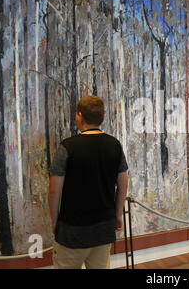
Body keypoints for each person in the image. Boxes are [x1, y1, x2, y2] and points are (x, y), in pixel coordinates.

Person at [48, 95, 129, 269]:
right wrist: (118, 214)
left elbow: (54, 191)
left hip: (72, 230)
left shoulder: (66, 147)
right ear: (102, 117)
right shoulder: (114, 145)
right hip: (104, 228)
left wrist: (54, 220)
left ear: (80, 116)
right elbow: (123, 185)